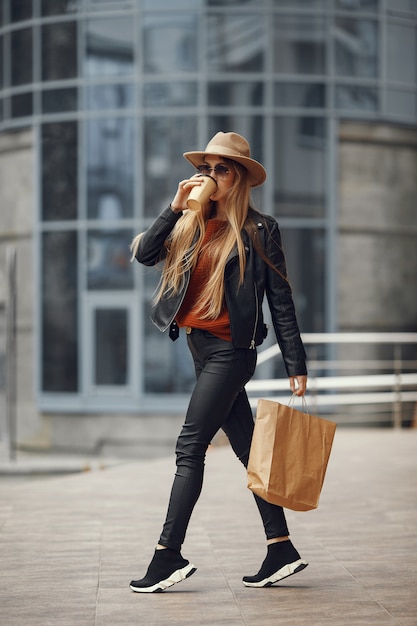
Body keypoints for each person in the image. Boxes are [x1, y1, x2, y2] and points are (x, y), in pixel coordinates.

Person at [130, 131, 308, 593]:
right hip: (199, 348)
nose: (209, 176)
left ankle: (167, 556)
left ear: (240, 178)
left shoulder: (259, 229)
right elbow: (146, 254)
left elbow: (280, 300)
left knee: (190, 448)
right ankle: (281, 547)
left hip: (232, 352)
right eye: (204, 168)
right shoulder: (190, 223)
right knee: (248, 451)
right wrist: (175, 206)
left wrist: (296, 364)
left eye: (221, 169)